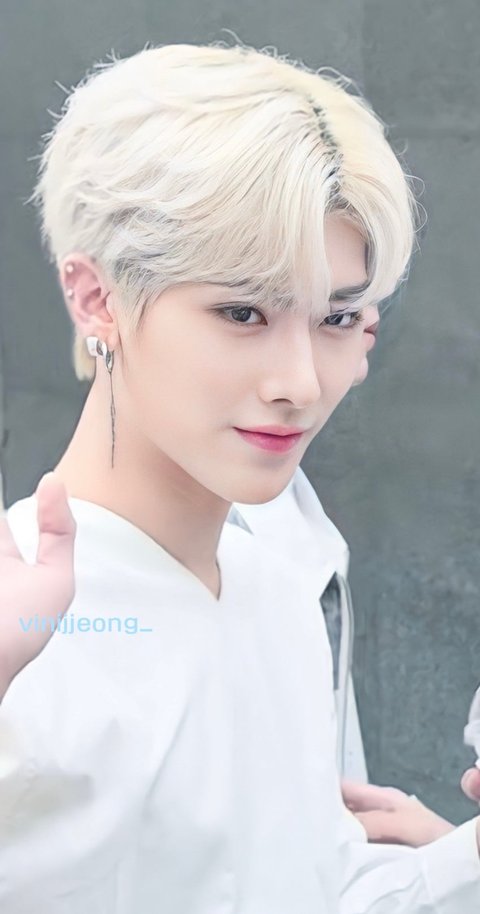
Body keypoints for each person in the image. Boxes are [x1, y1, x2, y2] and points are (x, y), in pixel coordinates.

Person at [2, 40, 480, 913]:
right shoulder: (25, 619)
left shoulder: (280, 586)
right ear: (97, 298)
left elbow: (300, 889)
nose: (299, 382)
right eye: (242, 311)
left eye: (337, 317)